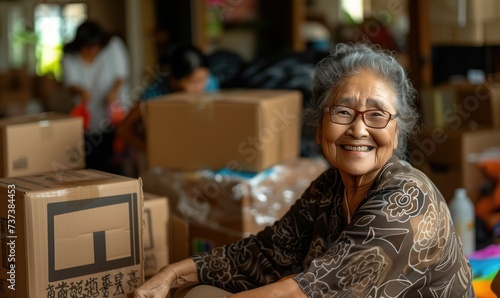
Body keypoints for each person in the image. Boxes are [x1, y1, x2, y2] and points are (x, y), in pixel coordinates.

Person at [132, 43, 474, 297]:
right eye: (342, 112)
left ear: (397, 131)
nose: (358, 129)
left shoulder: (407, 201)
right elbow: (264, 252)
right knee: (199, 291)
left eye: (376, 114)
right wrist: (171, 275)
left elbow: (306, 292)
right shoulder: (328, 187)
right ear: (318, 126)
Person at [116, 44, 219, 153]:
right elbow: (123, 129)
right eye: (193, 82)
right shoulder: (154, 94)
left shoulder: (211, 84)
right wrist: (153, 151)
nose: (200, 87)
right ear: (174, 79)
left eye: (204, 79)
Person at [62, 19, 131, 174]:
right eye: (86, 47)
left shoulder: (113, 46)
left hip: (114, 115)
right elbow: (70, 84)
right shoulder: (69, 56)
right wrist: (80, 92)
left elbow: (121, 76)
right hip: (90, 120)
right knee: (93, 161)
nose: (91, 51)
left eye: (94, 47)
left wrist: (113, 92)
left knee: (116, 161)